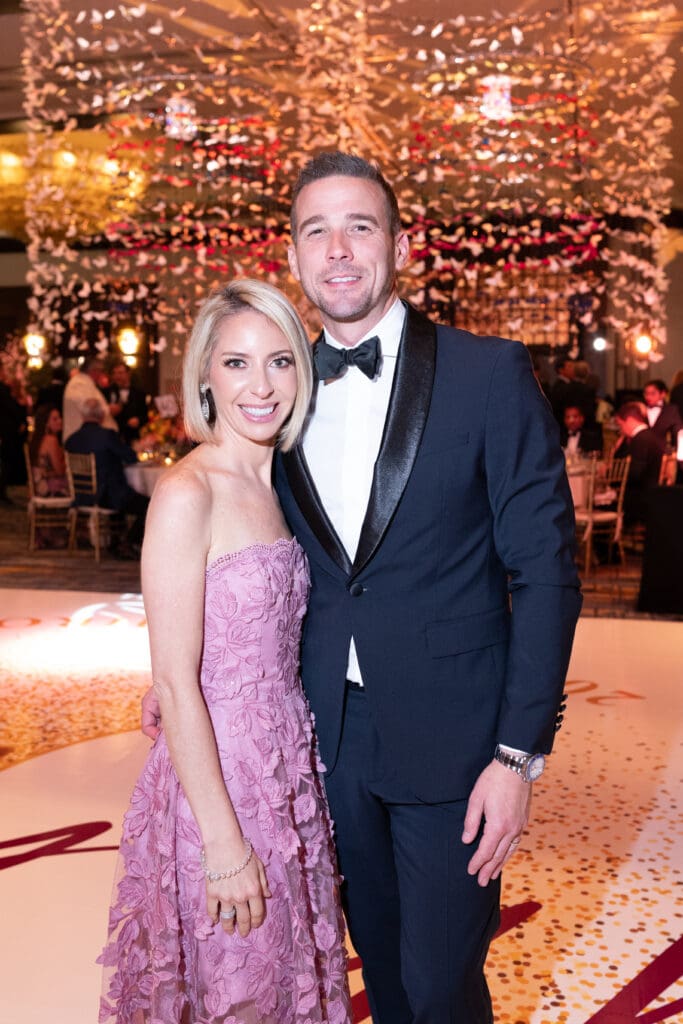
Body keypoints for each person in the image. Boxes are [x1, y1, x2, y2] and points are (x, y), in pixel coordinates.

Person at [144, 153, 581, 1023]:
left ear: (400, 243)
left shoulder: (488, 372)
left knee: (439, 985)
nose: (338, 250)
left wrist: (516, 756)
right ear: (295, 255)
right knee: (374, 972)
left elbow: (545, 572)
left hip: (456, 746)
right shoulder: (279, 388)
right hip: (319, 751)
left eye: (360, 226)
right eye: (316, 230)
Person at [100, 280, 351, 1024]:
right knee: (238, 987)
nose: (261, 385)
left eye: (279, 361)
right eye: (237, 364)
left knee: (285, 983)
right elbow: (175, 683)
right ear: (204, 374)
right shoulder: (188, 492)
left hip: (287, 774)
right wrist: (222, 844)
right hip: (223, 786)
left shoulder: (278, 485)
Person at [65, 398, 149, 557]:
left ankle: (116, 542)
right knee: (150, 505)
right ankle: (129, 542)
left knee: (120, 490)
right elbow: (131, 457)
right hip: (107, 496)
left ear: (83, 416)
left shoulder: (71, 440)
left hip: (82, 496)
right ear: (102, 415)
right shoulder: (107, 436)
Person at [614, 401, 666, 527]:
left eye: (621, 425)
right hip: (652, 495)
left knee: (598, 505)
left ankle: (607, 545)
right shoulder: (653, 436)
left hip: (639, 499)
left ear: (630, 420)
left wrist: (614, 479)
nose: (621, 430)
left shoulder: (640, 440)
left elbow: (636, 473)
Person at [62, 355, 118, 441]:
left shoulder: (86, 384)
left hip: (90, 440)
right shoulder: (78, 385)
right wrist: (108, 409)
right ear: (94, 371)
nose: (103, 374)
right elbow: (89, 410)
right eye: (101, 371)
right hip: (83, 441)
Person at [28, 404, 69, 497]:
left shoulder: (37, 439)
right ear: (46, 423)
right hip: (49, 487)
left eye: (60, 417)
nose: (60, 421)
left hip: (38, 486)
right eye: (55, 419)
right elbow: (60, 471)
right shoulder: (51, 440)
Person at [107, 360, 148, 443]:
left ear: (128, 374)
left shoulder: (139, 393)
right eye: (114, 373)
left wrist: (138, 420)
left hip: (132, 438)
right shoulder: (107, 392)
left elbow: (145, 416)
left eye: (120, 373)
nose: (117, 376)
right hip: (112, 437)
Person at [642, 378, 683, 448]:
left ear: (663, 394)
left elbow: (678, 432)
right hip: (643, 450)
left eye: (653, 393)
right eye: (646, 393)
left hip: (663, 452)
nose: (648, 397)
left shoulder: (671, 410)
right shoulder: (641, 409)